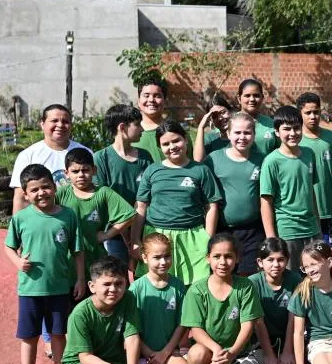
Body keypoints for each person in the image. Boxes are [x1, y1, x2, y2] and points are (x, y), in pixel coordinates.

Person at [4, 163, 84, 364]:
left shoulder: (68, 215)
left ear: (54, 186)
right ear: (26, 194)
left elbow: (77, 250)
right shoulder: (21, 218)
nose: (42, 193)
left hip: (60, 287)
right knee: (29, 337)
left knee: (59, 334)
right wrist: (17, 261)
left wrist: (80, 278)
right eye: (35, 190)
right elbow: (8, 246)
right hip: (30, 289)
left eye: (46, 187)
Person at [181, 233, 267, 364]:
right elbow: (195, 330)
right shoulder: (197, 290)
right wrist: (217, 350)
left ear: (237, 259)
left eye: (228, 256)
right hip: (211, 356)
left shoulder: (245, 286)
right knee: (196, 354)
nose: (222, 262)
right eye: (216, 256)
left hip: (239, 354)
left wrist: (232, 353)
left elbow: (248, 325)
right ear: (208, 259)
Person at [131, 121, 222, 286]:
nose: (172, 146)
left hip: (192, 236)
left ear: (186, 140)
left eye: (176, 141)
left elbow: (211, 206)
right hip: (157, 236)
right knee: (159, 285)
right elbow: (141, 206)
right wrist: (136, 240)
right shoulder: (152, 171)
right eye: (165, 144)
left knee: (194, 288)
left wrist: (208, 238)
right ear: (160, 147)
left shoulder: (201, 170)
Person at [61, 257, 152, 364]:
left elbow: (132, 338)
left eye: (119, 284)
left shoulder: (128, 299)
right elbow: (85, 357)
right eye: (107, 284)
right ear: (92, 286)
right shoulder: (80, 314)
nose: (113, 289)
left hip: (115, 361)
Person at [128, 232, 194, 364]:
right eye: (157, 257)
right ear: (144, 258)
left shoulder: (178, 286)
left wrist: (165, 352)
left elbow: (183, 323)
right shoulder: (135, 289)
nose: (163, 262)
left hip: (168, 352)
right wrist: (150, 354)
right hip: (144, 356)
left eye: (167, 256)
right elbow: (131, 332)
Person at [55, 147, 136, 275]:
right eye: (75, 171)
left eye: (85, 170)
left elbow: (130, 215)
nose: (81, 175)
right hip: (67, 260)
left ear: (94, 170)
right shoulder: (61, 193)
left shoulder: (103, 192)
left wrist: (108, 234)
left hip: (96, 259)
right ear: (66, 173)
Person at [205, 112, 266, 276]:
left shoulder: (262, 160)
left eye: (247, 132)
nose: (242, 137)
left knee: (249, 276)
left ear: (254, 134)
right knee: (223, 274)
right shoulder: (213, 159)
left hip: (253, 230)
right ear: (228, 133)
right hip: (223, 229)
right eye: (237, 132)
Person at [259, 105, 321, 266]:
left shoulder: (309, 154)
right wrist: (271, 238)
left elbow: (311, 192)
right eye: (287, 129)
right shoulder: (271, 161)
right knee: (291, 278)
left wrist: (318, 224)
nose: (293, 133)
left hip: (312, 229)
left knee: (316, 272)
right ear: (277, 132)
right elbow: (266, 202)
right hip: (288, 230)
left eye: (296, 128)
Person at [93, 104, 153, 263]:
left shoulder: (145, 157)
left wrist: (135, 237)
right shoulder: (101, 158)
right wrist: (126, 236)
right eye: (137, 124)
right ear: (122, 127)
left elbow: (147, 199)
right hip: (113, 234)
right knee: (117, 280)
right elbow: (103, 200)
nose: (142, 129)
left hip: (142, 230)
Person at [10, 104, 90, 216]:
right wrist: (18, 229)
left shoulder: (85, 152)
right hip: (42, 223)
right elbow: (21, 199)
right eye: (54, 120)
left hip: (80, 220)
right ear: (42, 124)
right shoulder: (28, 156)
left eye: (65, 121)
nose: (60, 125)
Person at [248, 238, 300, 364]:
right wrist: (268, 354)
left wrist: (288, 351)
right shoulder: (253, 283)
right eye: (270, 260)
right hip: (261, 341)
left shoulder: (294, 280)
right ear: (260, 262)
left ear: (287, 260)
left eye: (280, 259)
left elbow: (294, 317)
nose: (276, 265)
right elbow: (257, 321)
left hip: (287, 337)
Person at [297, 92, 332, 247]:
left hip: (327, 207)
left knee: (327, 253)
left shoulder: (331, 137)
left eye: (316, 112)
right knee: (307, 254)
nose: (313, 116)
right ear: (300, 113)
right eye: (308, 113)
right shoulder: (295, 140)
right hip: (305, 211)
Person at [133, 78, 191, 164]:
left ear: (165, 101)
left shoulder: (177, 132)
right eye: (146, 95)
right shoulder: (131, 133)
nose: (151, 100)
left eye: (157, 96)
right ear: (138, 101)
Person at [235, 78, 280, 158]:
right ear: (239, 98)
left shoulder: (271, 125)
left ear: (262, 98)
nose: (252, 99)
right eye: (247, 96)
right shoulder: (230, 123)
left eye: (256, 95)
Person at [192, 95, 233, 161]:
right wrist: (201, 127)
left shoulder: (242, 133)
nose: (220, 118)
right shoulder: (210, 138)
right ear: (211, 120)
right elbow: (198, 160)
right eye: (214, 116)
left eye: (223, 112)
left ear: (230, 111)